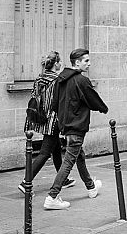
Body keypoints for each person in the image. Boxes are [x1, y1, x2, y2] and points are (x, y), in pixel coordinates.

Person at [43, 48, 108, 210]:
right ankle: (52, 196)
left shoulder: (60, 79)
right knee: (69, 161)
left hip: (65, 126)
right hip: (77, 127)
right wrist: (103, 108)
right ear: (77, 62)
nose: (89, 63)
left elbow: (54, 103)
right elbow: (94, 101)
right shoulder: (81, 80)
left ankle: (91, 187)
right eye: (86, 61)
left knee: (79, 156)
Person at [19, 51, 76, 194]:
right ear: (56, 64)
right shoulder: (58, 80)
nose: (61, 63)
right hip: (53, 120)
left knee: (56, 149)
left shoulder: (39, 78)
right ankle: (26, 182)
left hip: (42, 118)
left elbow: (34, 98)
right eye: (60, 61)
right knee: (45, 153)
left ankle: (63, 179)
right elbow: (60, 102)